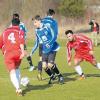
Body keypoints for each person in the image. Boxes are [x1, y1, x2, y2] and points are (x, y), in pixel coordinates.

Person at [30, 15, 64, 84]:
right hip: (45, 50)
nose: (34, 24)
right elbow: (37, 42)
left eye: (35, 22)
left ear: (39, 21)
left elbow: (54, 36)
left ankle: (60, 76)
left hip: (52, 48)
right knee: (44, 66)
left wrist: (50, 43)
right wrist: (32, 51)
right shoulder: (37, 31)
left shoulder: (47, 27)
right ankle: (52, 76)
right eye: (34, 23)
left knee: (50, 65)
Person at [0, 18, 25, 96]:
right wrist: (23, 52)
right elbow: (21, 42)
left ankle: (18, 89)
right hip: (18, 53)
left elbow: (0, 44)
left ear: (11, 23)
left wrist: (3, 52)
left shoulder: (4, 32)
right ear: (19, 24)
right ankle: (19, 87)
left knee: (12, 71)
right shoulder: (20, 31)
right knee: (17, 68)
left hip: (8, 54)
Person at [35, 9, 58, 80]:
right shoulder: (53, 21)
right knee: (51, 61)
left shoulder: (42, 20)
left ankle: (39, 73)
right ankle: (53, 74)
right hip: (49, 43)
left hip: (41, 43)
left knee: (41, 59)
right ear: (53, 15)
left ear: (46, 14)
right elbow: (55, 33)